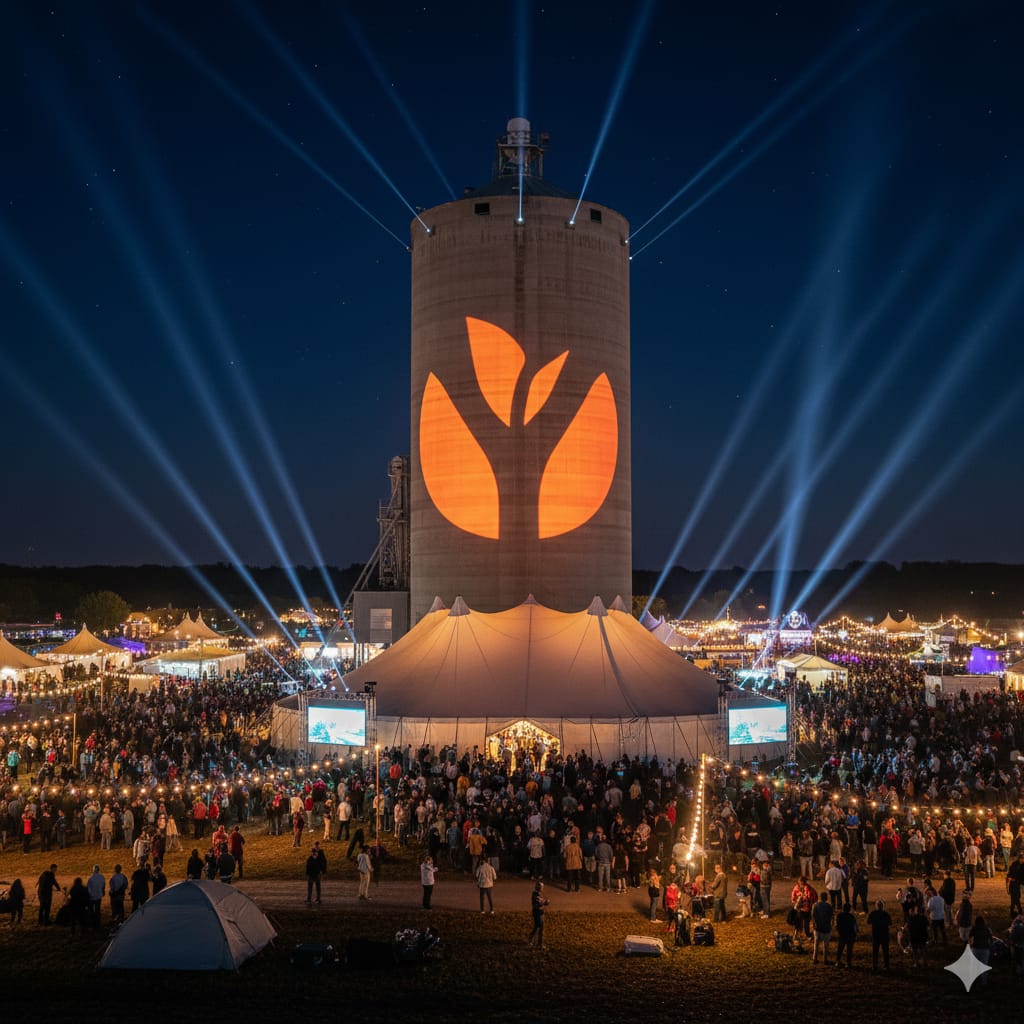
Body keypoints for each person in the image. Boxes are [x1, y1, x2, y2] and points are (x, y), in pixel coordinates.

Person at [867, 899, 893, 972]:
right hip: (884, 935)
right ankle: (886, 966)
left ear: (876, 906)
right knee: (885, 952)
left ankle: (875, 966)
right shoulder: (886, 914)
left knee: (875, 952)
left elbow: (868, 921)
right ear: (883, 906)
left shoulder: (873, 913)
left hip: (876, 935)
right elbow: (890, 923)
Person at [969, 914, 992, 985]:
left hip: (976, 948)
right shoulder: (987, 929)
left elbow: (969, 937)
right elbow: (990, 939)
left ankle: (973, 980)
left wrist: (971, 945)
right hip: (985, 949)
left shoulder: (974, 928)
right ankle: (984, 982)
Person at [811, 890, 834, 964]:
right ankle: (825, 959)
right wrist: (831, 925)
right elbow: (831, 917)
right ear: (826, 898)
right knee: (826, 946)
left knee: (816, 944)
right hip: (826, 928)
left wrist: (814, 924)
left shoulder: (815, 905)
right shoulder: (829, 906)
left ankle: (814, 958)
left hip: (818, 928)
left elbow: (813, 916)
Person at [834, 902, 857, 968]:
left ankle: (838, 961)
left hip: (842, 935)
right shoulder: (851, 916)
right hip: (850, 935)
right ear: (849, 909)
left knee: (840, 949)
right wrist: (855, 934)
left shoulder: (839, 915)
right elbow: (854, 926)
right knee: (849, 950)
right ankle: (848, 962)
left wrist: (839, 931)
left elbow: (836, 925)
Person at [907, 903, 929, 968]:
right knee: (923, 950)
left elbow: (908, 928)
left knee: (915, 951)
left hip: (914, 937)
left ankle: (917, 963)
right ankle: (925, 963)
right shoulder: (924, 918)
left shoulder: (910, 918)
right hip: (923, 936)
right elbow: (928, 927)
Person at [528, 881, 549, 948]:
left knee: (537, 927)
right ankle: (539, 943)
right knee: (540, 927)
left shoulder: (538, 894)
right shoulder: (536, 894)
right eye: (542, 887)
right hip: (538, 913)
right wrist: (545, 902)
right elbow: (539, 902)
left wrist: (545, 902)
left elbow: (541, 902)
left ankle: (531, 940)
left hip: (539, 912)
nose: (542, 888)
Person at [86, 865, 105, 929]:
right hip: (99, 896)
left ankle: (92, 924)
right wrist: (102, 892)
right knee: (97, 910)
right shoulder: (102, 877)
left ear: (93, 870)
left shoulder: (90, 878)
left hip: (92, 897)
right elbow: (103, 885)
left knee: (91, 911)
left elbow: (88, 888)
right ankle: (97, 924)